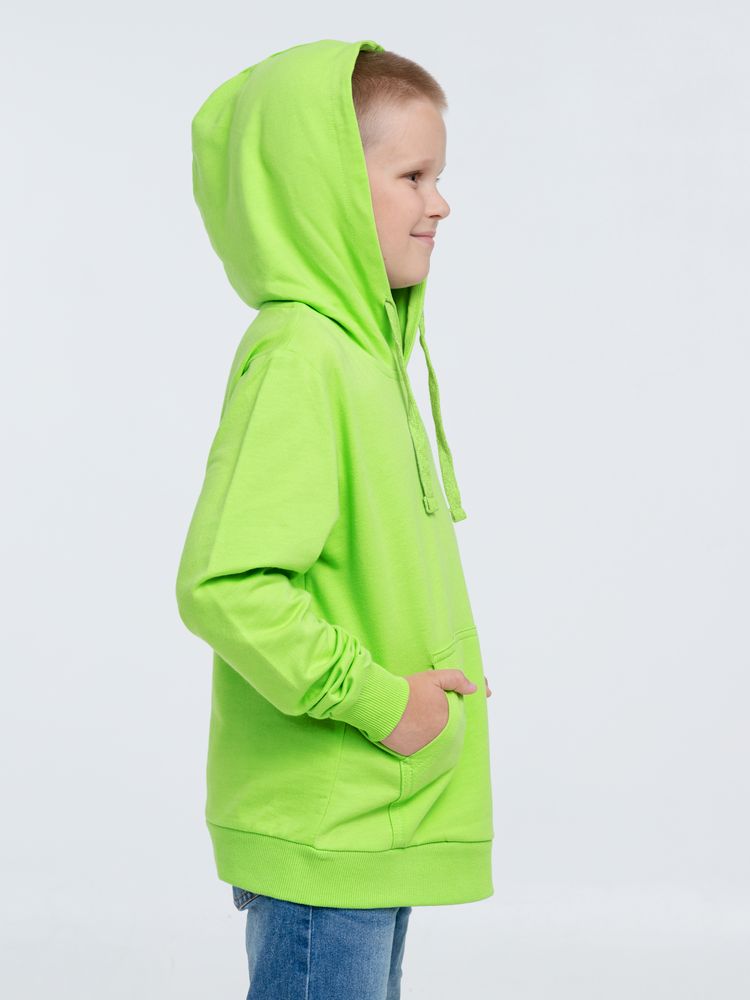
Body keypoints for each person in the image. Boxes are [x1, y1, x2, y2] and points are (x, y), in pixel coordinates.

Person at [175, 37, 494, 1000]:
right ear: (332, 190)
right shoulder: (302, 357)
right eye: (413, 176)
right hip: (329, 822)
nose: (439, 204)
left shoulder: (367, 359)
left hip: (372, 815)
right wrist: (383, 703)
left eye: (439, 176)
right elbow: (227, 587)